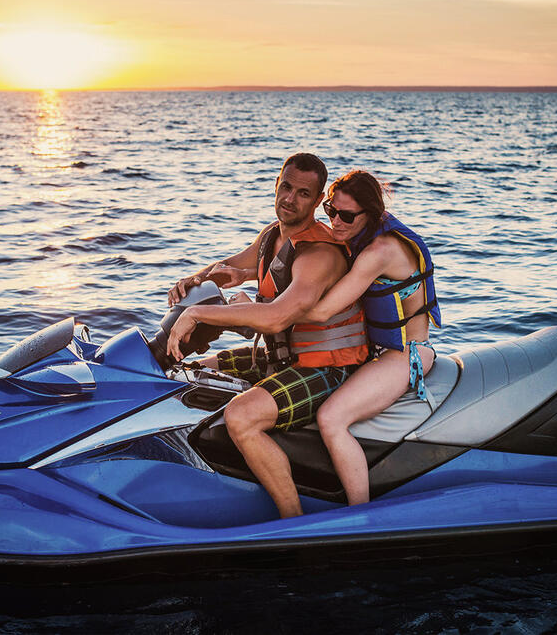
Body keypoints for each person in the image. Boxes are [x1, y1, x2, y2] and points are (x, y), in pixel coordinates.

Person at [166, 153, 369, 518]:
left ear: (318, 199)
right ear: (277, 183)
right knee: (192, 372)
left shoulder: (319, 253)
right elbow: (230, 265)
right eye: (286, 187)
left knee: (241, 417)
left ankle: (293, 521)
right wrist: (193, 281)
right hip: (283, 358)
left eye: (303, 194)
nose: (290, 199)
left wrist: (198, 313)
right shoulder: (273, 235)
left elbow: (276, 317)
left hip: (327, 369)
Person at [305, 169, 441, 506]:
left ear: (371, 213)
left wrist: (263, 311)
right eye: (330, 210)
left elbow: (321, 312)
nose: (335, 221)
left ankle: (360, 514)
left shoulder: (379, 251)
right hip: (377, 352)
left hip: (405, 355)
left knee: (331, 419)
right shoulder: (361, 232)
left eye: (347, 215)